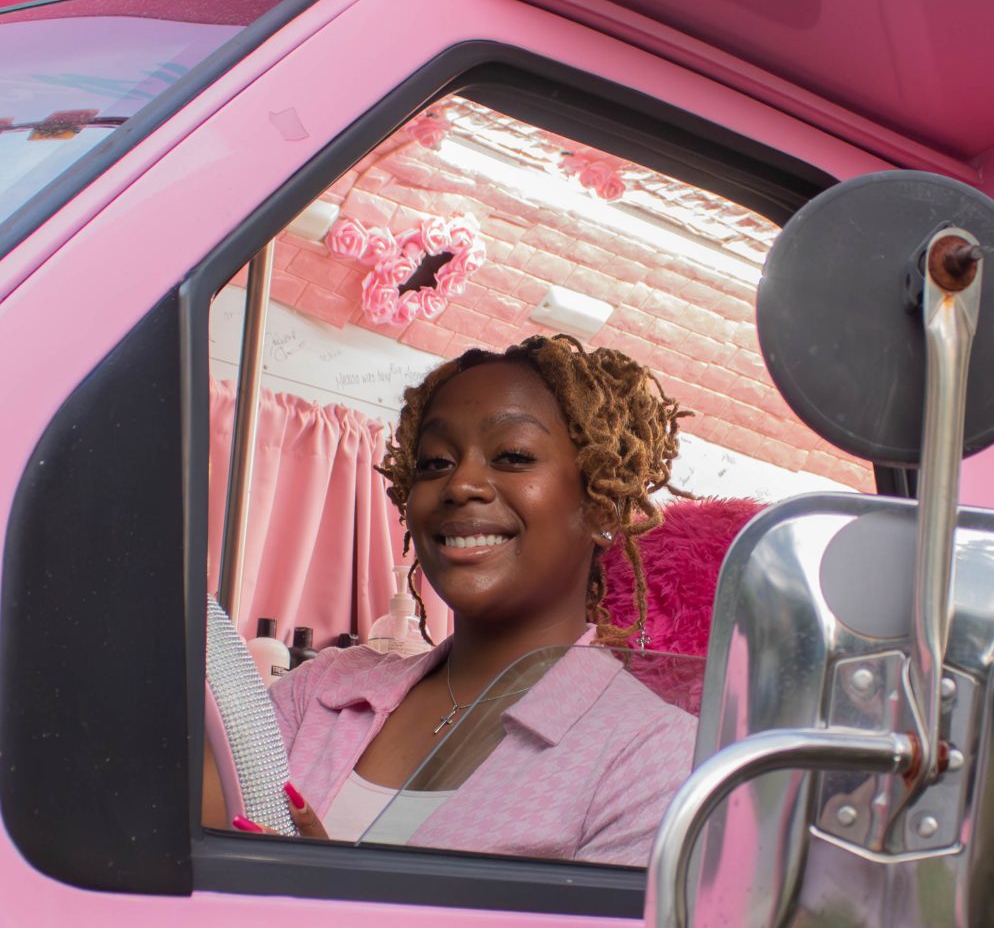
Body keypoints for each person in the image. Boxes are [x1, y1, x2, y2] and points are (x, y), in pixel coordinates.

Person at [266, 333, 698, 865]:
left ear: (603, 507)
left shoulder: (656, 758)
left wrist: (339, 906)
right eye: (434, 462)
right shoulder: (320, 692)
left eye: (513, 456)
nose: (461, 483)